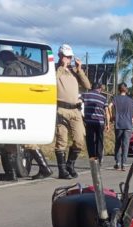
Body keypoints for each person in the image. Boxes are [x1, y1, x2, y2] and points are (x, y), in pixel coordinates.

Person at [54, 44, 91, 179]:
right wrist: (61, 67)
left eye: (69, 57)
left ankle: (70, 164)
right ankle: (62, 170)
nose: (67, 59)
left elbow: (87, 85)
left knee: (80, 139)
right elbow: (52, 81)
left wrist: (79, 69)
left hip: (75, 110)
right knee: (61, 139)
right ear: (60, 56)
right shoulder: (55, 70)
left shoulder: (74, 72)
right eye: (65, 56)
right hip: (61, 109)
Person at [109, 83, 133, 171]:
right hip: (128, 125)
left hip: (118, 124)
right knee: (125, 145)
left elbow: (109, 106)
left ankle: (117, 162)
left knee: (118, 144)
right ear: (126, 89)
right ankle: (124, 164)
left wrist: (112, 116)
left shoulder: (115, 98)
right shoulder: (130, 100)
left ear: (119, 89)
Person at [81, 82, 110, 163]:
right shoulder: (103, 98)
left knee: (90, 140)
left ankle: (92, 158)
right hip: (100, 123)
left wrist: (81, 116)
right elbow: (107, 112)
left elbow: (78, 103)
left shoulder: (85, 95)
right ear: (99, 89)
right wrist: (107, 124)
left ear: (92, 88)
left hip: (89, 121)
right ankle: (99, 158)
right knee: (99, 140)